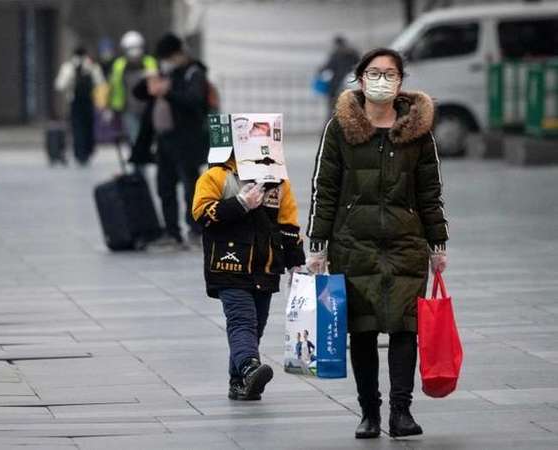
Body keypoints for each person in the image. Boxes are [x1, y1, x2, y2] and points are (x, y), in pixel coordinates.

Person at [306, 48, 448, 440]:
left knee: (406, 328)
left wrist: (437, 244)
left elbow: (430, 191)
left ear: (401, 81)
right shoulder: (340, 128)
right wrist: (317, 244)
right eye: (373, 72)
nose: (381, 79)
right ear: (360, 77)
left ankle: (402, 413)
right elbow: (326, 188)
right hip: (354, 243)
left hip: (406, 242)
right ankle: (369, 412)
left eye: (390, 73)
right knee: (363, 329)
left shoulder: (418, 131)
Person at [192, 151, 305, 401]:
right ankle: (250, 367)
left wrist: (295, 262)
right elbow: (201, 213)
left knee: (256, 326)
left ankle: (239, 382)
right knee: (242, 321)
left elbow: (288, 224)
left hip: (264, 268)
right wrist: (239, 204)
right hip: (228, 266)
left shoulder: (277, 181)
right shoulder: (216, 176)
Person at [135, 33, 208, 248]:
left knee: (190, 186)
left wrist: (168, 92)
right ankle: (171, 231)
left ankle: (195, 230)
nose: (165, 62)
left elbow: (194, 100)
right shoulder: (166, 73)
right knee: (164, 186)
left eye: (168, 57)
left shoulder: (195, 73)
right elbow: (139, 93)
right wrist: (150, 80)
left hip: (188, 140)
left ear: (178, 55)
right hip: (164, 140)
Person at [54, 46, 105, 166]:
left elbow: (59, 85)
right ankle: (84, 153)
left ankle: (81, 153)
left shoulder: (70, 66)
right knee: (85, 128)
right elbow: (101, 83)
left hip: (80, 102)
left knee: (79, 129)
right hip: (83, 102)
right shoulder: (90, 67)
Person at [108, 31, 157, 146]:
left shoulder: (150, 62)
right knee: (134, 135)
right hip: (128, 107)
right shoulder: (119, 65)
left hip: (148, 107)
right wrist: (112, 107)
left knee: (147, 136)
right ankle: (138, 160)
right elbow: (114, 86)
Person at [318, 36, 360, 116]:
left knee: (333, 108)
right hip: (350, 85)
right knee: (350, 107)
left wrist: (320, 70)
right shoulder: (353, 53)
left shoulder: (335, 54)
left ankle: (332, 126)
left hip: (335, 86)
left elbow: (327, 67)